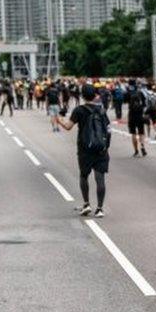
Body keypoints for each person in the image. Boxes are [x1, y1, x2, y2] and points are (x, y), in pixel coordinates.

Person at [55, 85, 110, 218]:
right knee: (100, 178)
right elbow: (108, 130)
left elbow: (68, 127)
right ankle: (100, 208)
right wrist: (105, 146)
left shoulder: (79, 110)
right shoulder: (101, 110)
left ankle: (86, 204)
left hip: (85, 149)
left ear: (82, 96)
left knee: (84, 176)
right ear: (95, 95)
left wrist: (59, 120)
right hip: (101, 149)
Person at [126, 80, 148, 157]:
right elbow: (145, 104)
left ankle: (136, 151)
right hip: (140, 115)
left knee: (133, 133)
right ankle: (142, 146)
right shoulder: (140, 93)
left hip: (132, 115)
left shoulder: (128, 92)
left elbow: (125, 101)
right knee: (141, 132)